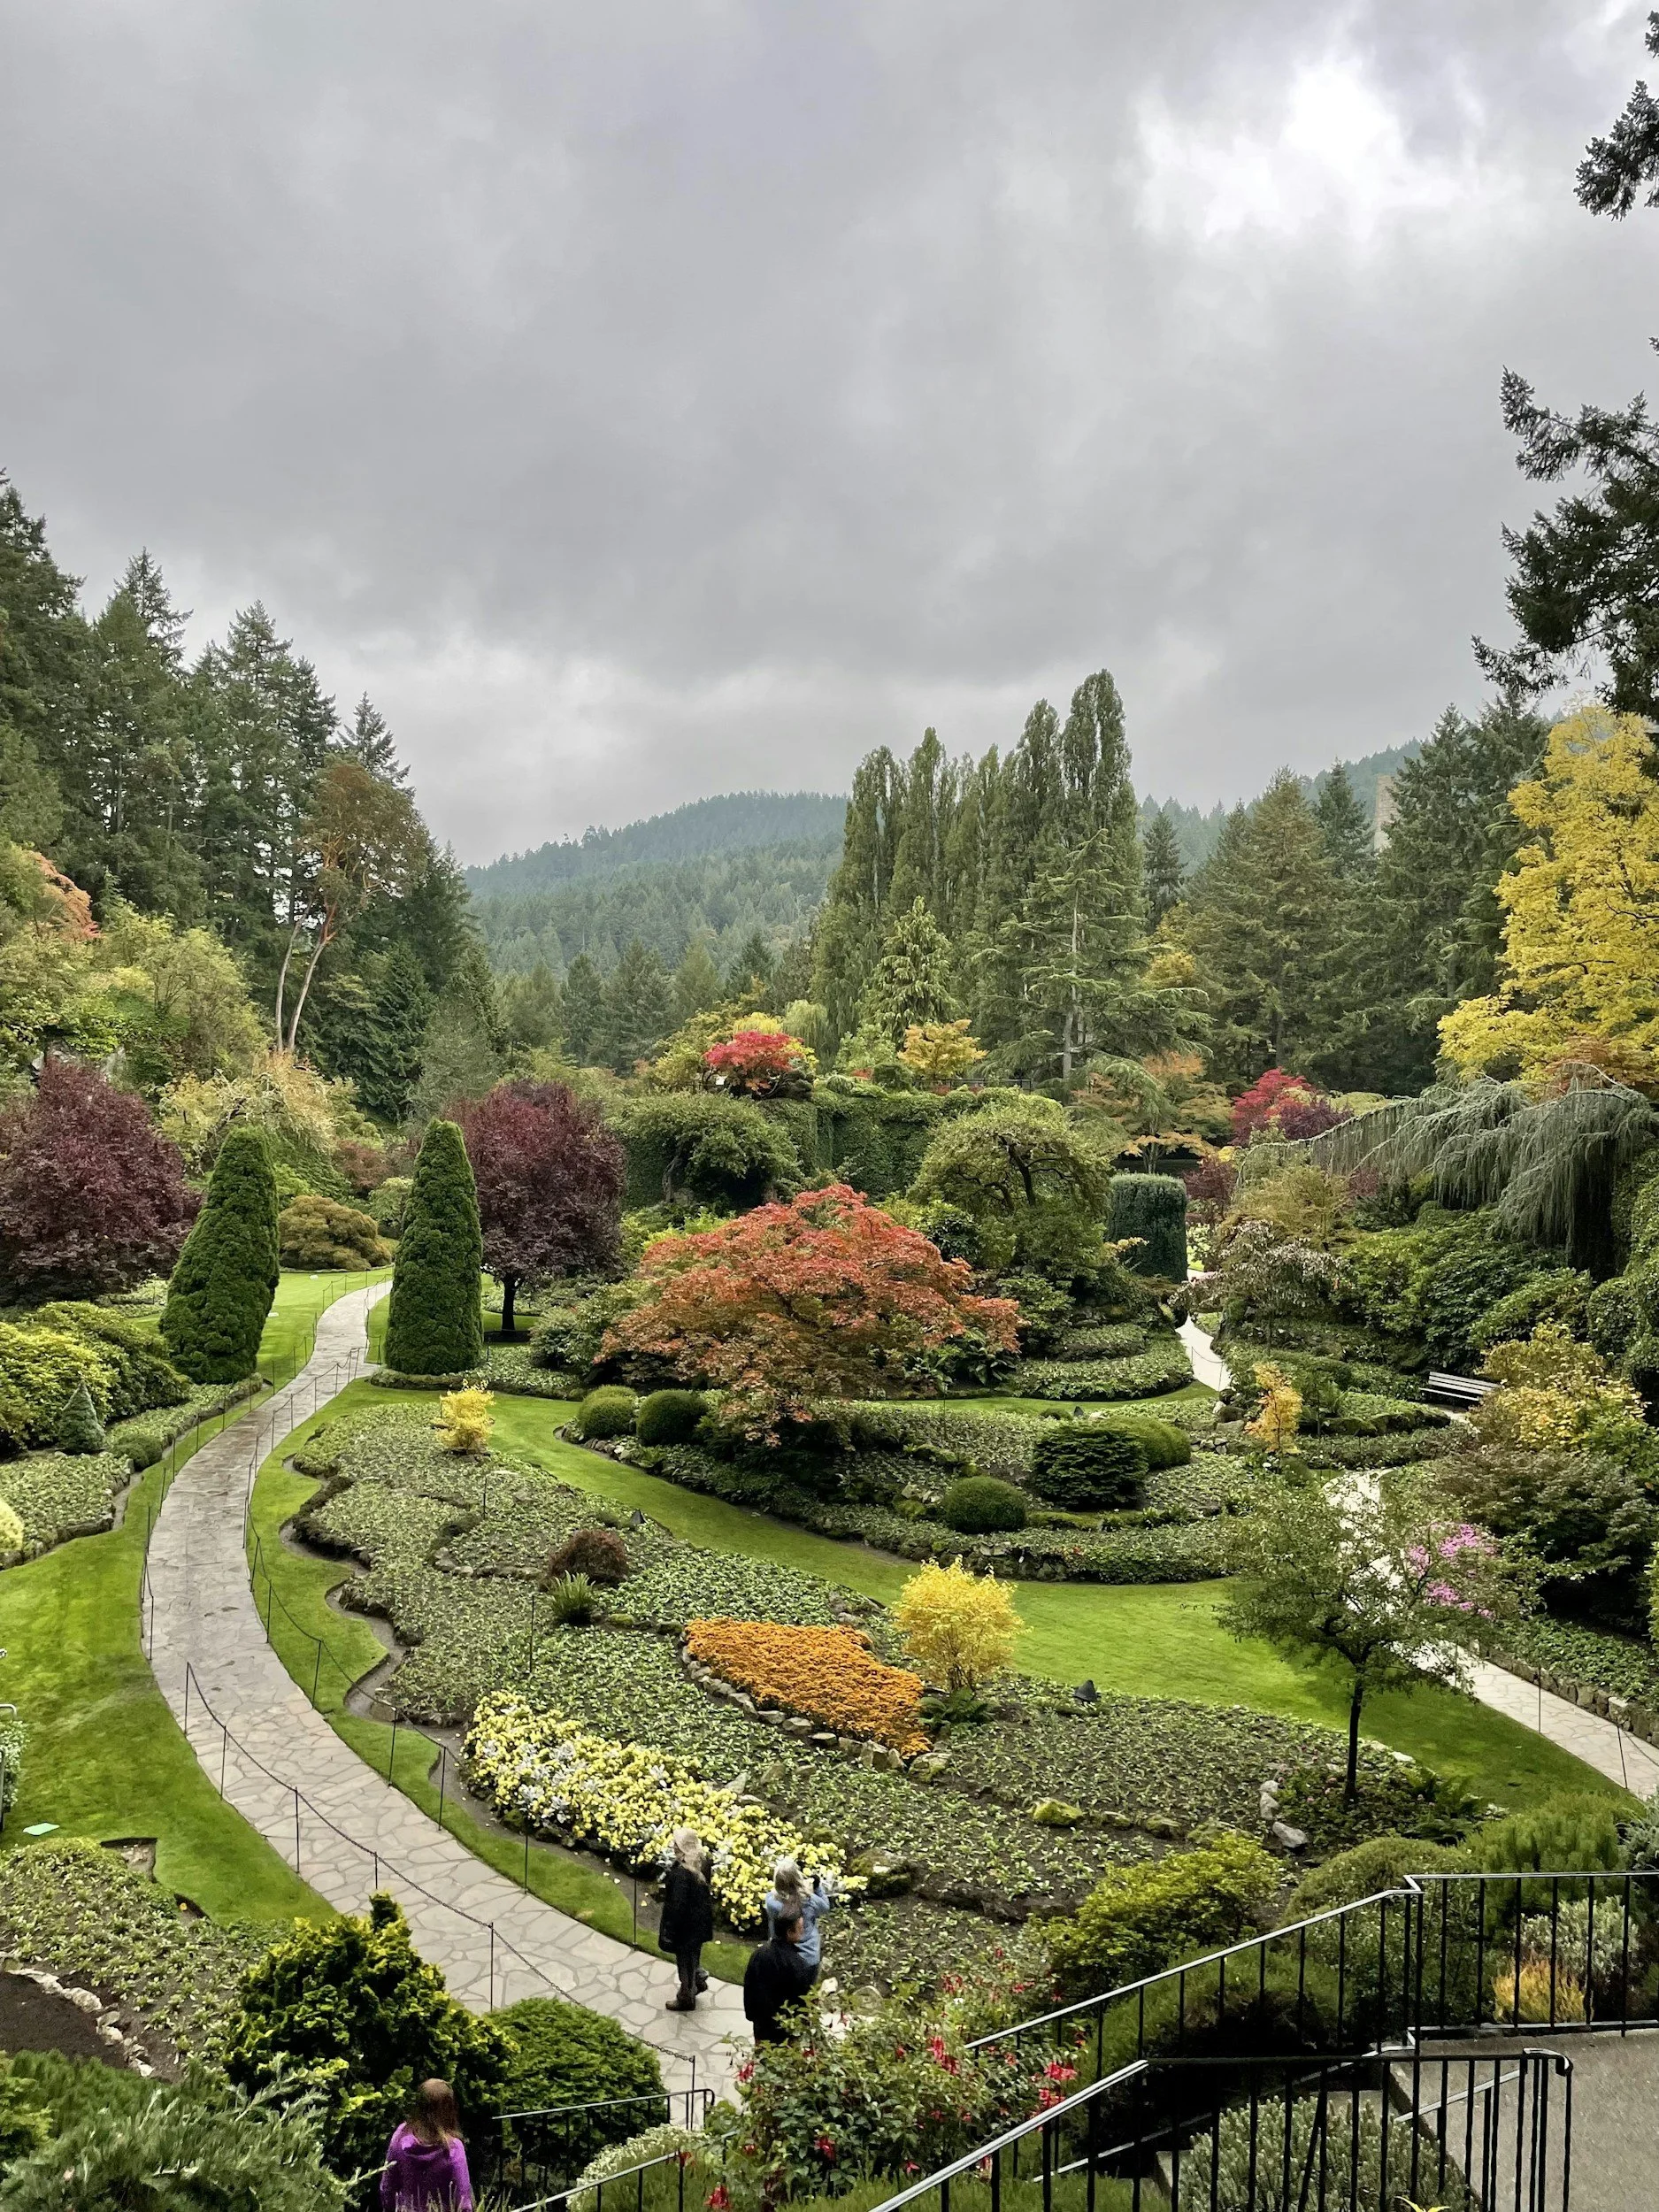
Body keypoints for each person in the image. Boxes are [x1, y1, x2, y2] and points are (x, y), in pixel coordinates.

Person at [380, 2079, 473, 2212]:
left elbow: (387, 2187)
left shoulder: (400, 2136)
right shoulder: (452, 2149)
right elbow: (463, 2203)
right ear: (449, 2109)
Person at [659, 1825, 714, 2011]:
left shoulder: (682, 1874)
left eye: (676, 1844)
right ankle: (697, 1980)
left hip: (685, 1928)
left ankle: (686, 1996)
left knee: (685, 1961)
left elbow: (677, 1906)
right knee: (693, 1957)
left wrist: (669, 1931)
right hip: (699, 1924)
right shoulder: (703, 1862)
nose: (673, 1847)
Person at [743, 1906, 813, 2045]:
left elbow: (749, 1989)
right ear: (789, 1932)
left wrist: (752, 2016)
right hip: (786, 2033)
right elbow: (802, 2003)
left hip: (761, 2028)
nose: (803, 1930)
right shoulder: (798, 1965)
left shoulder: (759, 1954)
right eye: (800, 1927)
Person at [762, 1856, 833, 1984]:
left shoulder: (771, 1902)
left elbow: (782, 1895)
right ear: (797, 1878)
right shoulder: (809, 1900)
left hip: (781, 1957)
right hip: (808, 1957)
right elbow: (825, 1907)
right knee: (805, 1995)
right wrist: (817, 1888)